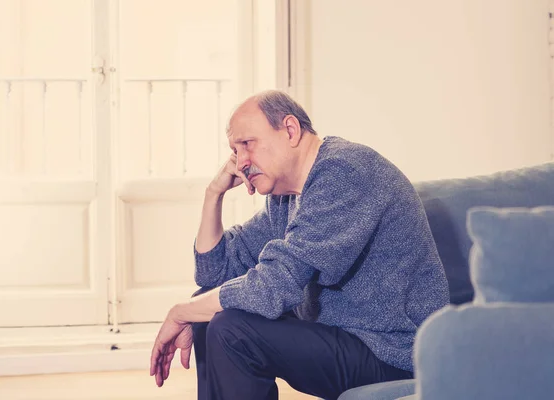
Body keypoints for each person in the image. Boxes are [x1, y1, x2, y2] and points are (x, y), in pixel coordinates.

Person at [150, 90, 449, 400]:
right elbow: (215, 273)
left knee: (231, 327)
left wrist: (180, 311)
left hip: (393, 351)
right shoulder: (286, 198)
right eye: (234, 151)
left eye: (247, 144)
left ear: (290, 130)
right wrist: (214, 194)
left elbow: (275, 285)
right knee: (207, 309)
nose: (241, 163)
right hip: (345, 337)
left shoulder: (345, 171)